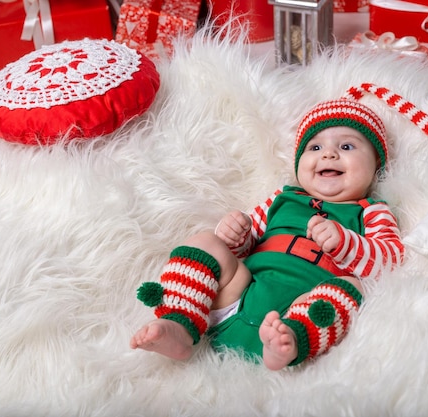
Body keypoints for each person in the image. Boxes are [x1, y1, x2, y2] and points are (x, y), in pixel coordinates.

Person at [130, 92, 405, 370]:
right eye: (315, 148)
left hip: (293, 314)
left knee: (352, 288)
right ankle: (180, 324)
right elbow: (244, 247)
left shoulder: (369, 210)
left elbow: (391, 261)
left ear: (375, 168)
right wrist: (236, 235)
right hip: (235, 301)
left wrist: (346, 243)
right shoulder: (284, 198)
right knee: (206, 241)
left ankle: (291, 343)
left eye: (347, 147)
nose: (329, 153)